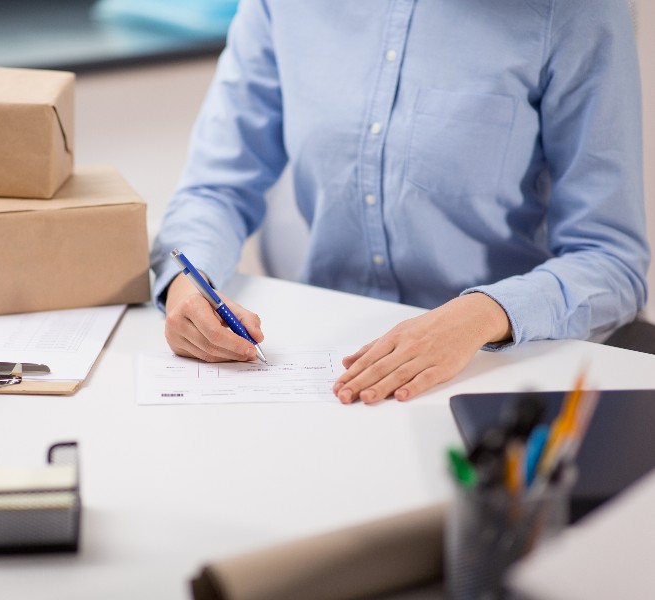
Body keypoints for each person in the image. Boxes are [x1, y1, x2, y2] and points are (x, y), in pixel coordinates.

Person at [149, 0, 650, 404]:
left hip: (496, 372)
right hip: (325, 363)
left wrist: (479, 316)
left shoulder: (577, 12)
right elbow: (214, 188)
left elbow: (612, 259)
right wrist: (187, 287)